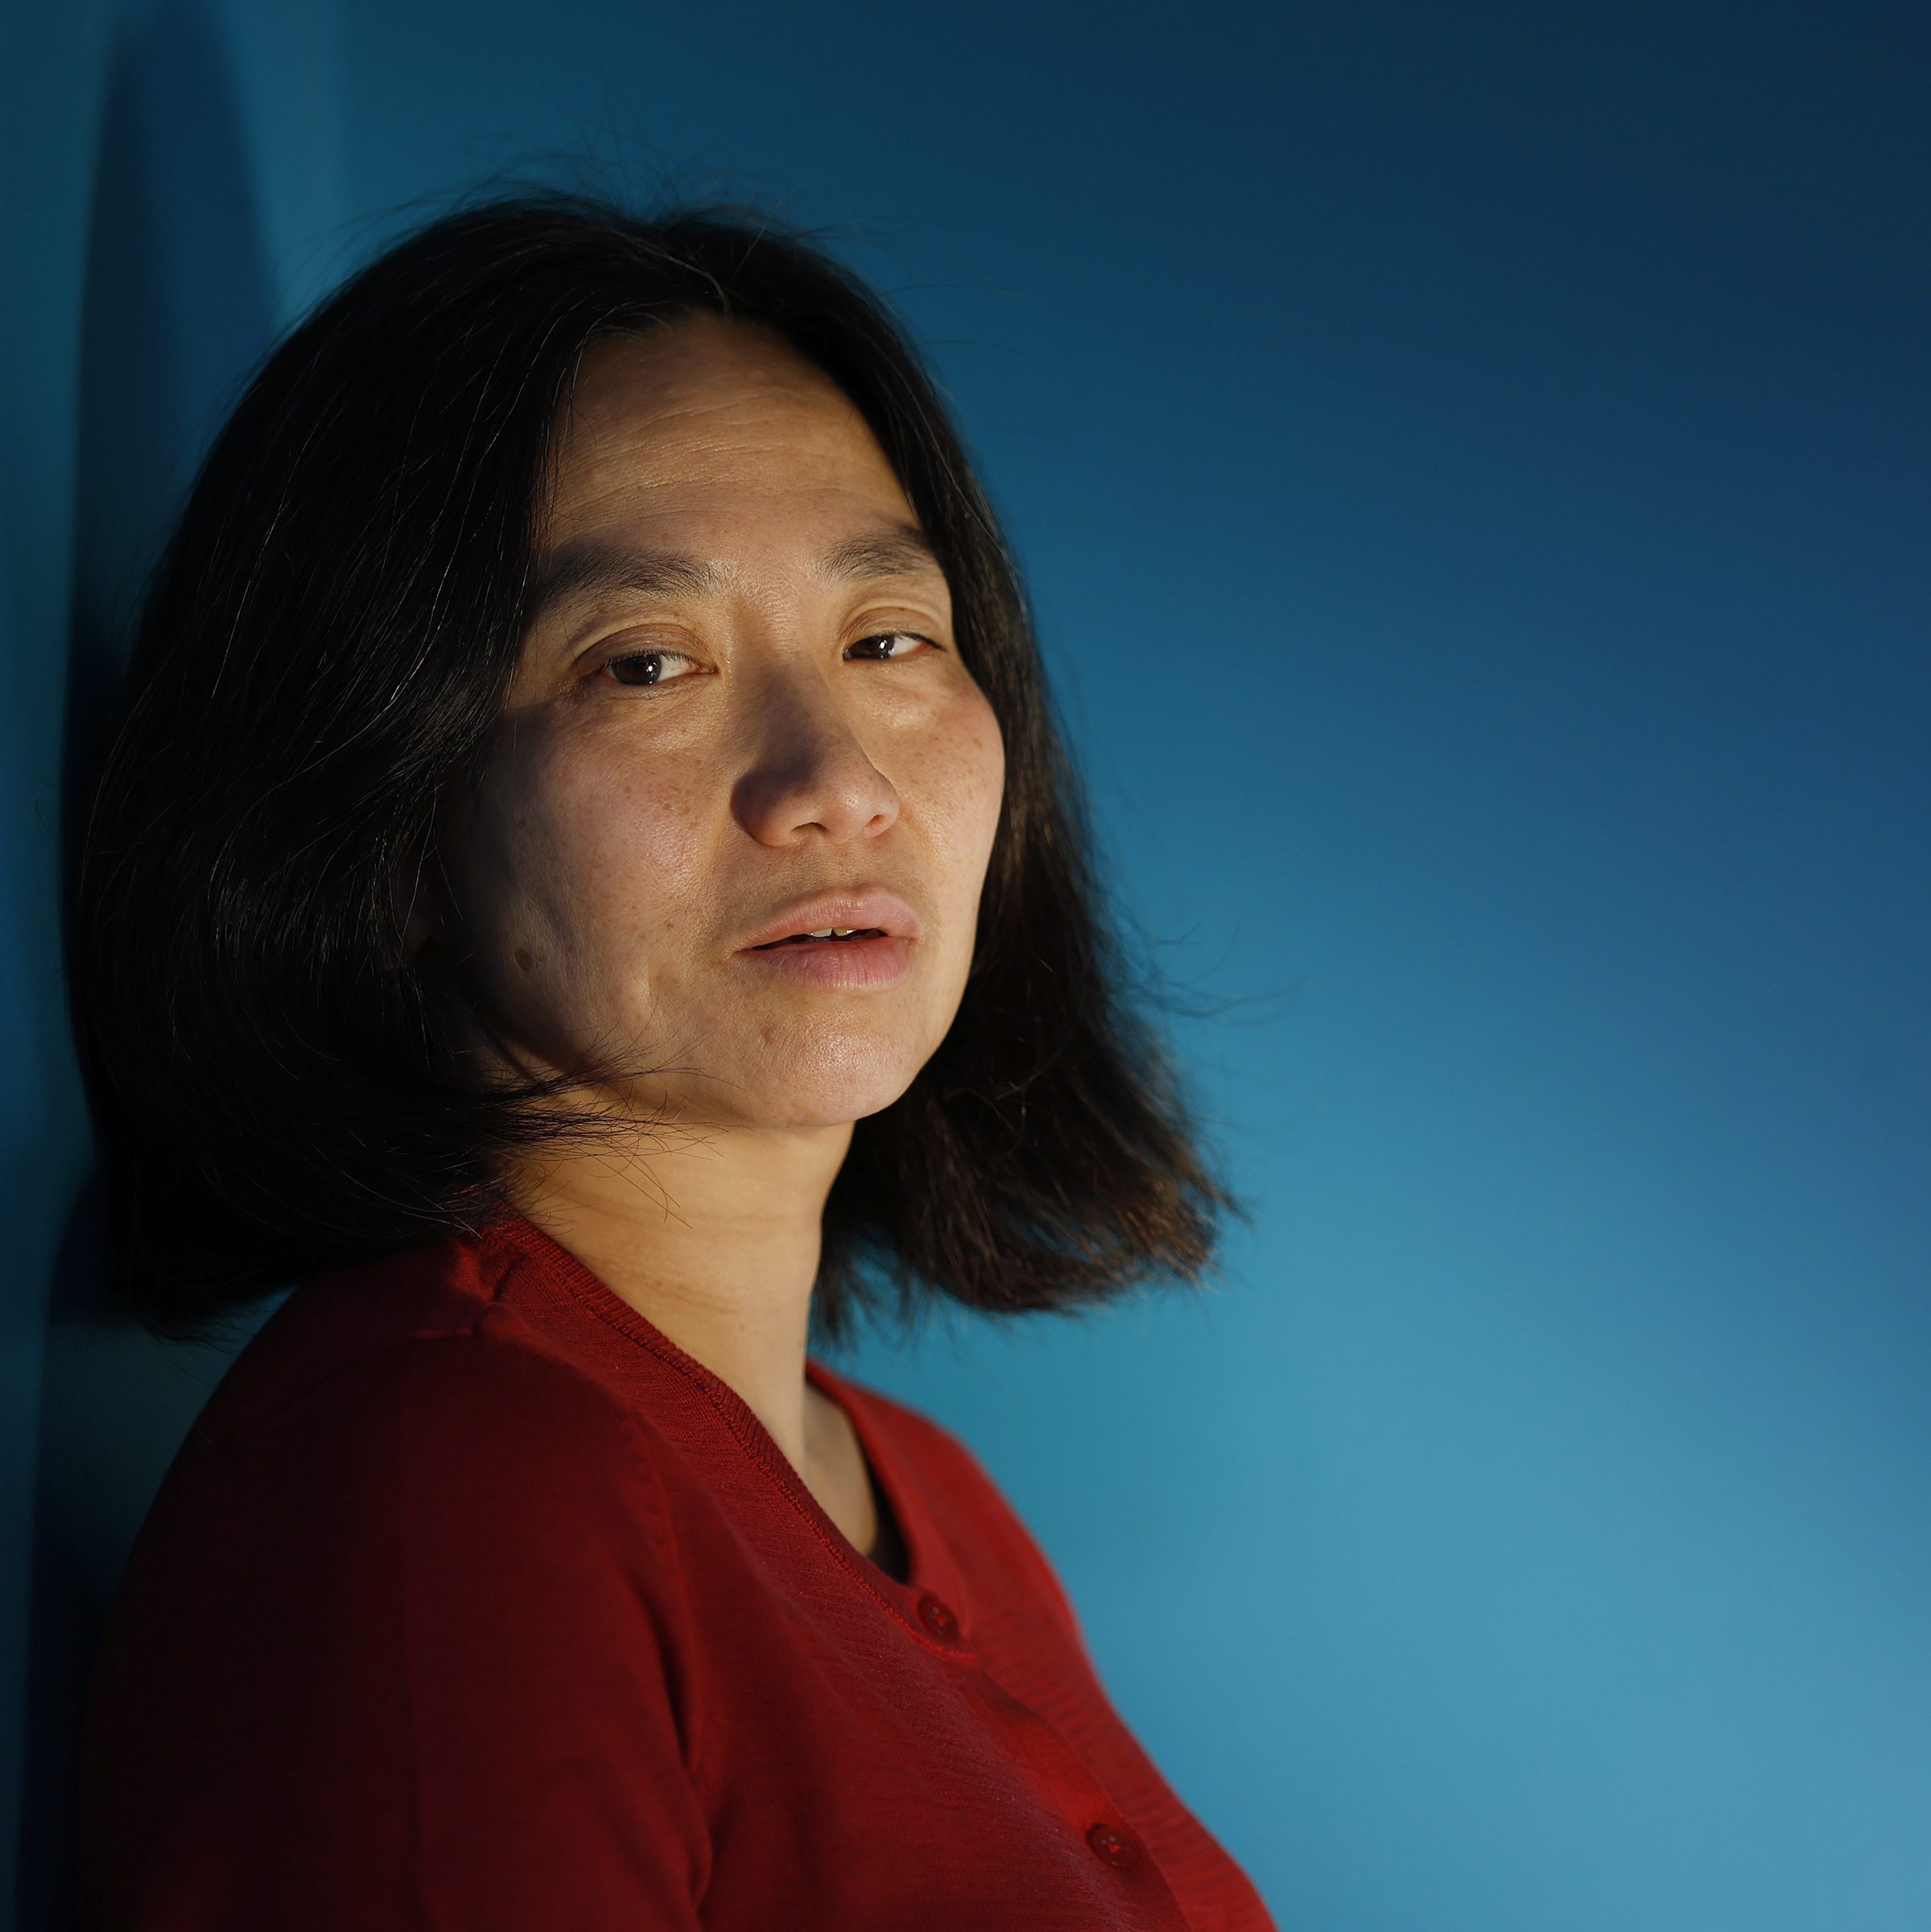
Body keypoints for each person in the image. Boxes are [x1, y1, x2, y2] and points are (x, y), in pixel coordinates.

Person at [66, 192, 1274, 1930]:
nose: (833, 777)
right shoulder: (452, 1491)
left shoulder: (930, 1499)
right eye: (646, 663)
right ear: (389, 817)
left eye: (888, 638)